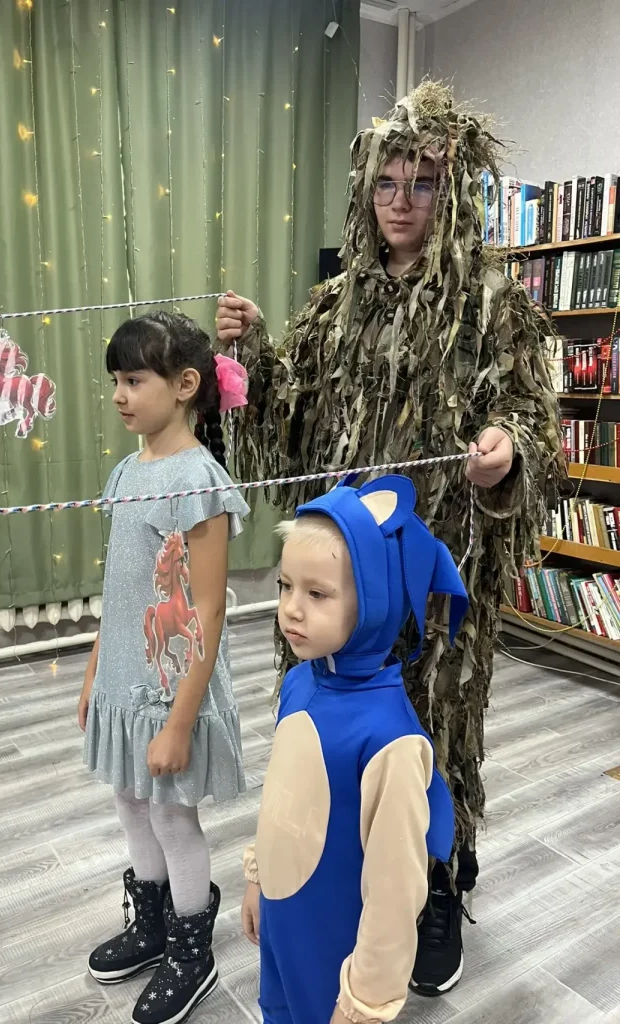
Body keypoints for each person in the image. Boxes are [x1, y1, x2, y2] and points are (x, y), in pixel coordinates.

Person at [218, 81, 565, 995]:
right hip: (341, 581)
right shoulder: (335, 307)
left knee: (434, 725)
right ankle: (343, 871)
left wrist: (506, 452)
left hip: (434, 574)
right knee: (337, 725)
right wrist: (253, 354)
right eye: (387, 182)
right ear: (366, 189)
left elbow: (533, 422)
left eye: (423, 182)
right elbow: (287, 429)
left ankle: (439, 882)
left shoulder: (492, 304)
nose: (401, 201)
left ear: (452, 193)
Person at [240, 473, 468, 1024]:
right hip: (284, 923)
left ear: (374, 603)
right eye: (285, 586)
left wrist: (365, 1002)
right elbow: (281, 798)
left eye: (317, 594)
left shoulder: (390, 740)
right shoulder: (300, 683)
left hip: (334, 950)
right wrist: (257, 877)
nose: (292, 609)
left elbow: (396, 894)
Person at [77, 311, 250, 1024]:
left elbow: (207, 608)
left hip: (170, 684)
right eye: (115, 381)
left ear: (183, 385)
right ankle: (151, 925)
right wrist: (95, 673)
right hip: (123, 677)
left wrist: (180, 721)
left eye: (134, 380)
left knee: (172, 815)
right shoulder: (127, 469)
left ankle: (191, 951)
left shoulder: (199, 480)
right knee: (128, 798)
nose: (120, 395)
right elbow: (120, 589)